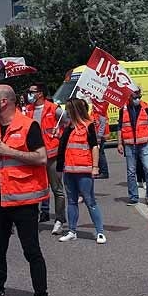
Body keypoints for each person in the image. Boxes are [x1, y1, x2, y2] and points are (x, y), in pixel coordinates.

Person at [0, 83, 50, 296]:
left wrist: (9, 151)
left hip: (24, 200)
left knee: (32, 252)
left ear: (4, 101)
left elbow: (41, 157)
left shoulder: (29, 125)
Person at [54, 97, 106, 245]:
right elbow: (63, 148)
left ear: (75, 110)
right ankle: (72, 231)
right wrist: (60, 167)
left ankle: (100, 231)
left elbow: (94, 147)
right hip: (69, 170)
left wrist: (95, 167)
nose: (66, 113)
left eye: (69, 110)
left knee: (90, 201)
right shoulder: (68, 128)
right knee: (71, 201)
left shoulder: (88, 126)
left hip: (84, 170)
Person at [23, 83, 64, 231]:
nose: (29, 94)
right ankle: (38, 215)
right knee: (35, 188)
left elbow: (69, 122)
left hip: (51, 155)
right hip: (35, 155)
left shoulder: (54, 109)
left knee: (57, 189)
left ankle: (59, 220)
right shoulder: (28, 110)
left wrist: (58, 133)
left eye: (31, 92)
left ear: (40, 93)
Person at [117, 85, 148, 205]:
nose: (137, 99)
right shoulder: (123, 109)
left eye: (139, 96)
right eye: (135, 97)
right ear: (129, 96)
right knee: (131, 171)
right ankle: (133, 197)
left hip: (144, 143)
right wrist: (119, 143)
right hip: (129, 144)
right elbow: (120, 127)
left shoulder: (146, 107)